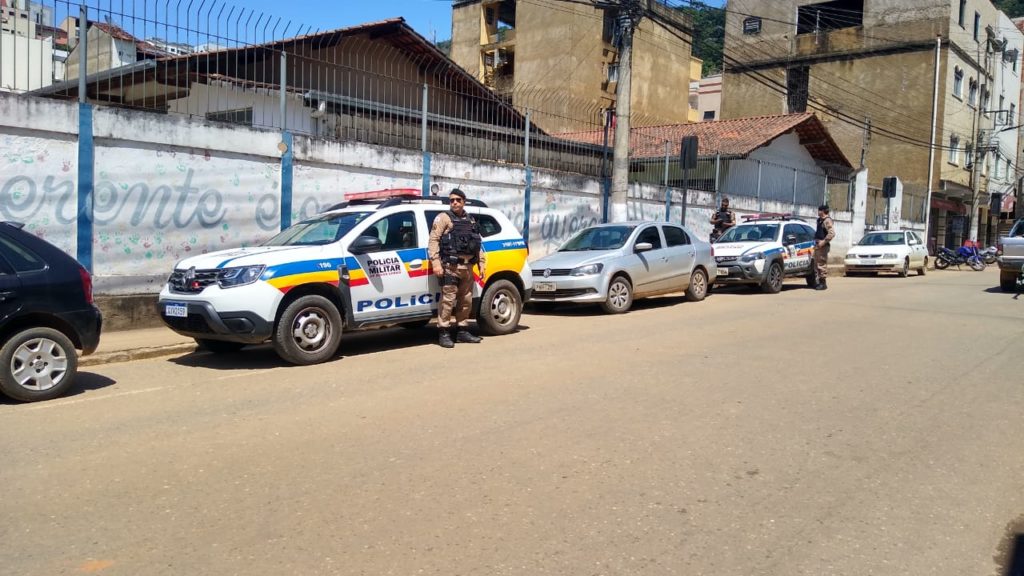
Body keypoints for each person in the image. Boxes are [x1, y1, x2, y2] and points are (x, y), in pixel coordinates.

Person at [428, 189, 487, 348]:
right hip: (450, 266)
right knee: (447, 301)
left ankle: (462, 331)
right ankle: (444, 332)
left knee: (465, 301)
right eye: (452, 200)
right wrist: (436, 263)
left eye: (458, 200)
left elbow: (477, 244)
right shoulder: (443, 218)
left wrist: (481, 263)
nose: (454, 202)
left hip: (467, 267)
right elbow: (433, 241)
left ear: (464, 201)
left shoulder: (471, 220)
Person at [814, 204, 835, 290]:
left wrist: (823, 242)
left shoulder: (827, 221)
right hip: (817, 244)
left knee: (821, 264)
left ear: (822, 211)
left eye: (819, 210)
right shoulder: (819, 220)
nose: (818, 212)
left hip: (823, 245)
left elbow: (831, 233)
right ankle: (818, 282)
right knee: (816, 264)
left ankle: (823, 284)